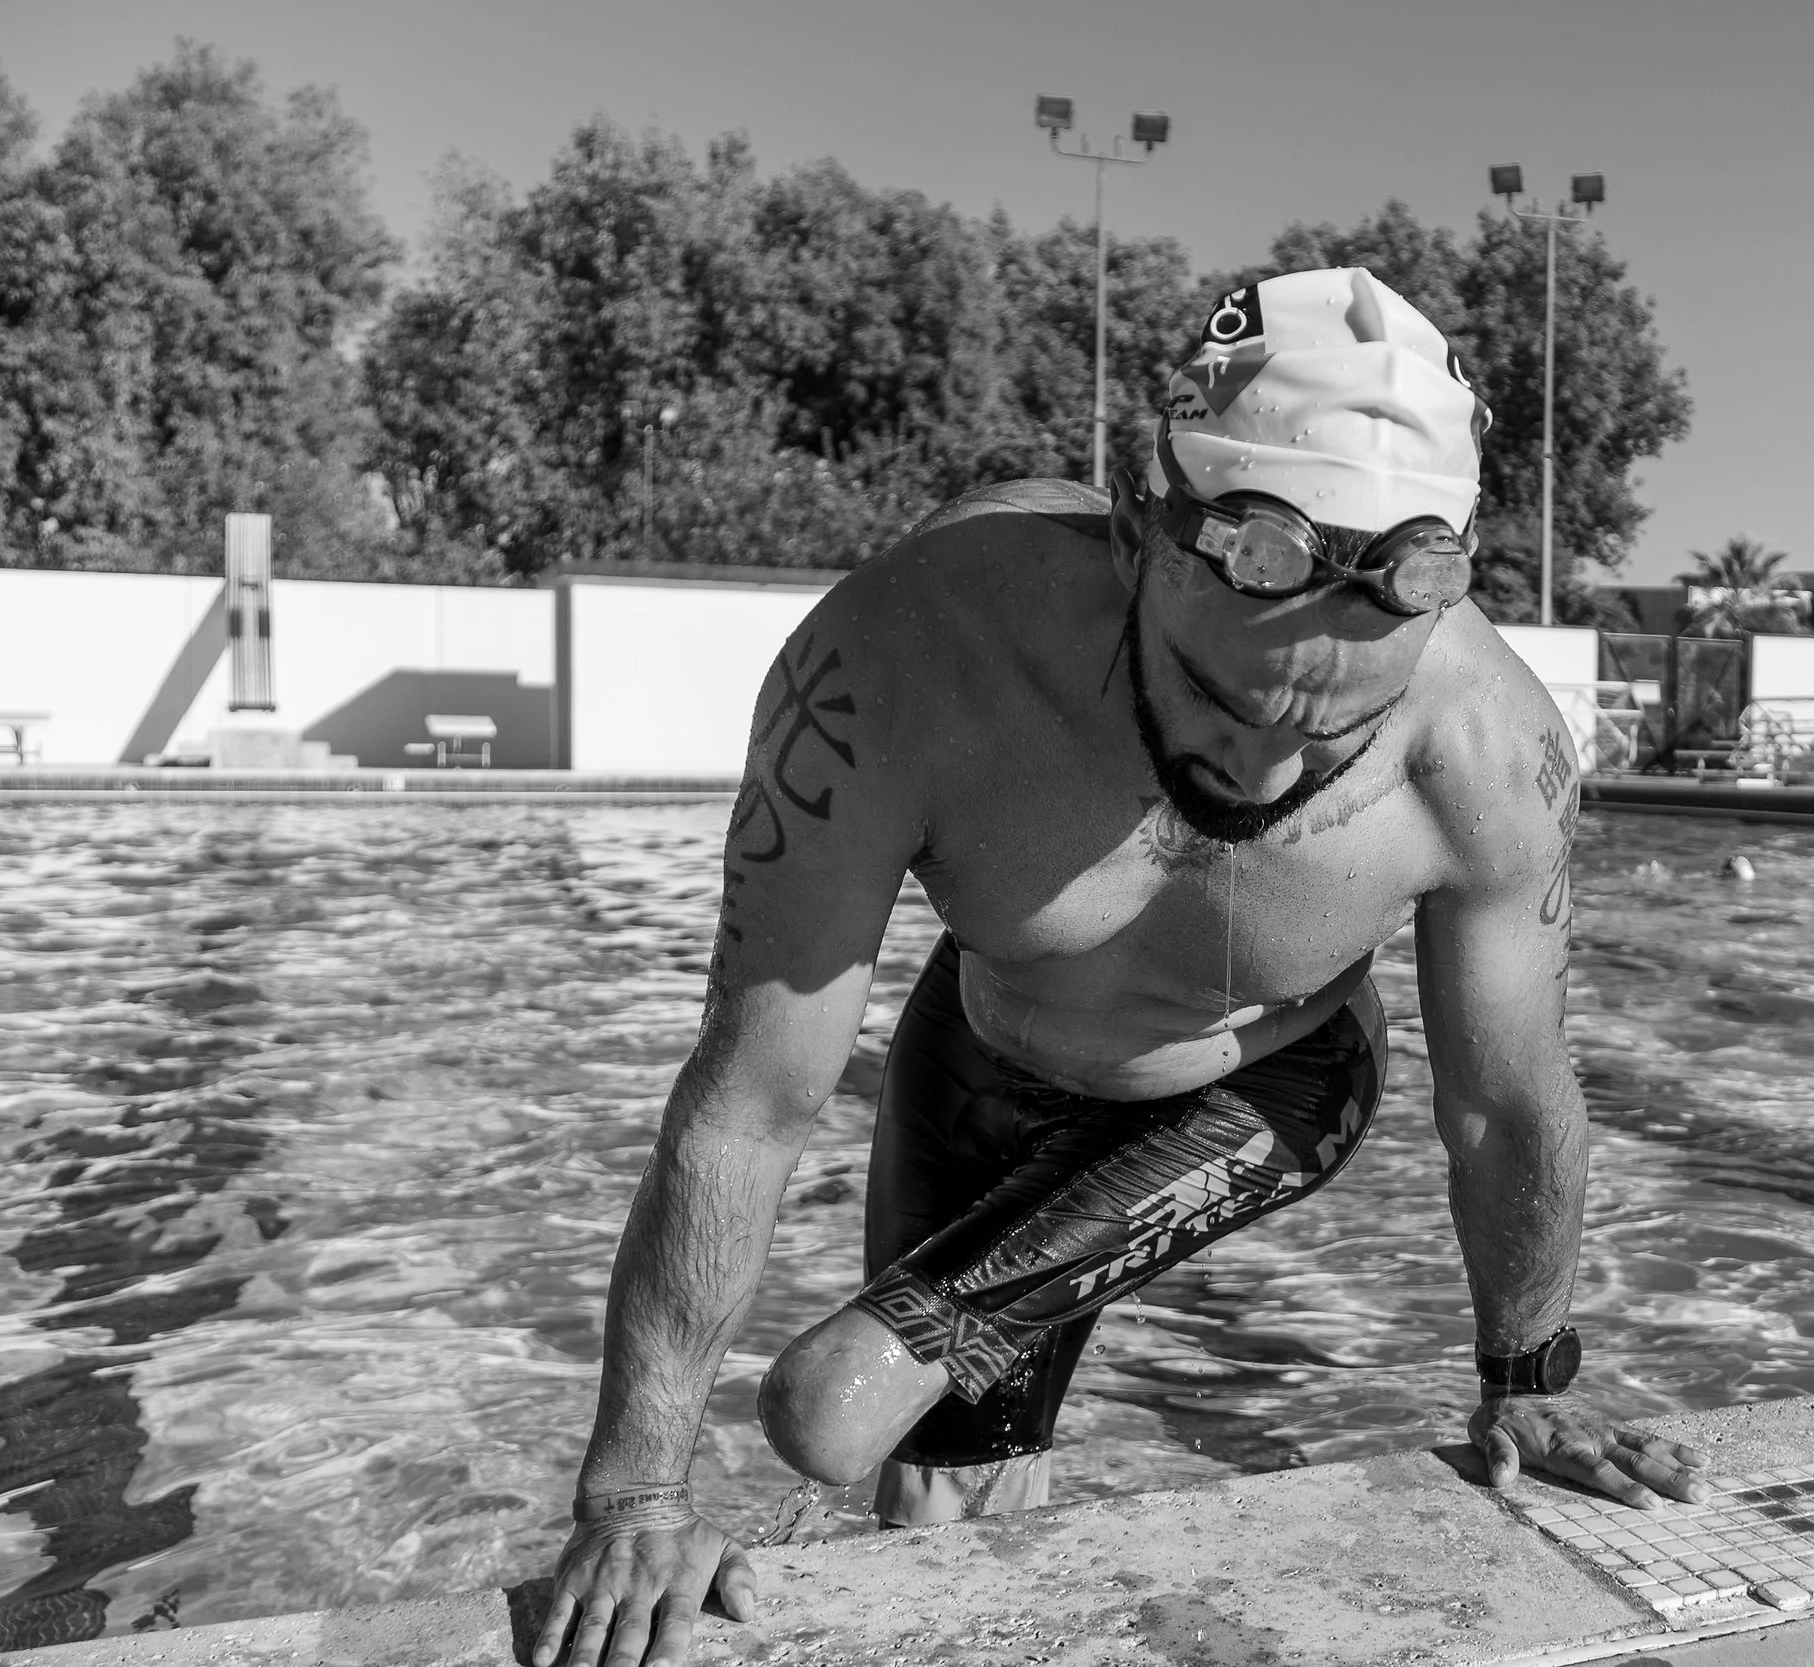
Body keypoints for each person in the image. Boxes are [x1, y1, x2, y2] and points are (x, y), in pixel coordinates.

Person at [532, 268, 1708, 1667]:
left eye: (1332, 734)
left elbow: (1508, 1100)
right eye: (1225, 700)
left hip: (1263, 1080)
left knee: (829, 1397)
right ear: (1142, 529)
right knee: (913, 1492)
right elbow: (748, 1099)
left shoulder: (1491, 747)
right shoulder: (902, 659)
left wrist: (1531, 1376)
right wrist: (637, 1492)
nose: (1265, 770)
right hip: (980, 1057)